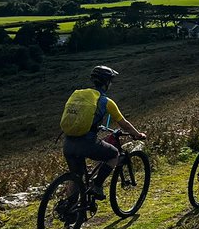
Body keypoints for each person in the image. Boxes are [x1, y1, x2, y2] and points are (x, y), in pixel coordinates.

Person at [59, 65, 146, 200]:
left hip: (68, 143)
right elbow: (124, 124)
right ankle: (97, 185)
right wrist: (137, 134)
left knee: (76, 176)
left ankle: (69, 209)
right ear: (106, 82)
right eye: (110, 81)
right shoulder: (106, 101)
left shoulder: (80, 95)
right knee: (113, 154)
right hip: (86, 143)